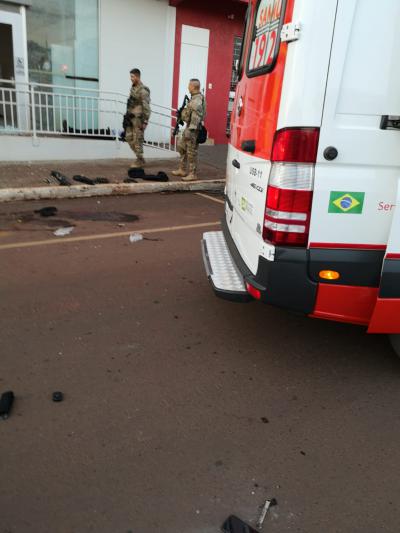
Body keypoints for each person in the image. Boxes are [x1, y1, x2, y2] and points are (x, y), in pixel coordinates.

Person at [172, 79, 206, 181]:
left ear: (193, 86)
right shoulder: (193, 99)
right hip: (189, 128)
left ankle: (192, 174)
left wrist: (182, 115)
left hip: (192, 130)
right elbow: (188, 115)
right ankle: (182, 169)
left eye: (189, 85)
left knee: (191, 152)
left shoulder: (197, 100)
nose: (188, 87)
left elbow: (194, 118)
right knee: (181, 147)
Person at [125, 68, 151, 168]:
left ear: (138, 77)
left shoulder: (143, 90)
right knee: (128, 137)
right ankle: (140, 157)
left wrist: (145, 122)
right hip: (130, 118)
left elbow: (147, 107)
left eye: (132, 76)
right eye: (130, 76)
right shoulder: (133, 88)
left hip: (138, 119)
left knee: (137, 139)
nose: (131, 78)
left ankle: (139, 160)